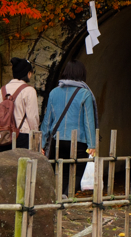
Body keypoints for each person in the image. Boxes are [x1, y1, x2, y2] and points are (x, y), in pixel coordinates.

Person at [40, 60, 98, 194]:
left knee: (61, 173)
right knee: (76, 174)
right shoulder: (85, 94)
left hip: (57, 141)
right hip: (79, 142)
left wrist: (42, 143)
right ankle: (68, 196)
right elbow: (88, 122)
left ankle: (60, 198)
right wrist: (92, 144)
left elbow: (47, 121)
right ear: (81, 74)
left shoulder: (54, 92)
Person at [0, 57, 40, 150]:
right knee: (22, 163)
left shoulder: (2, 90)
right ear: (28, 73)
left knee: (5, 163)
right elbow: (32, 117)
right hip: (22, 135)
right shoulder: (29, 91)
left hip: (4, 135)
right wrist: (36, 136)